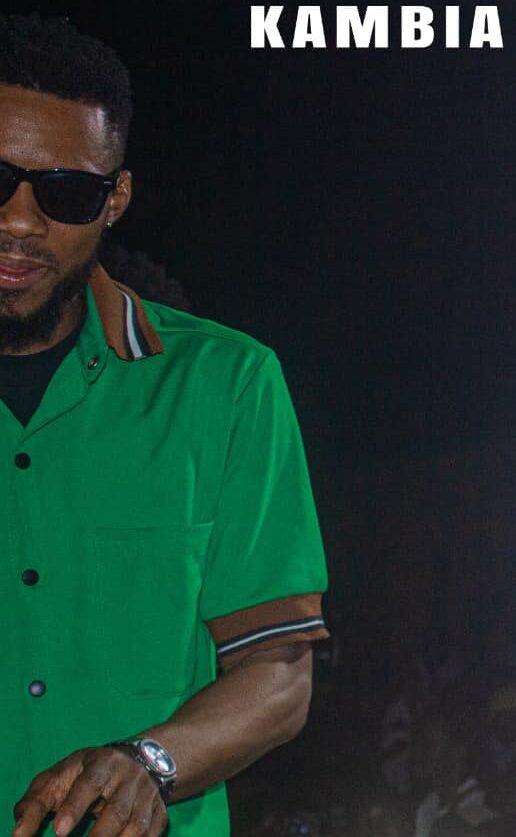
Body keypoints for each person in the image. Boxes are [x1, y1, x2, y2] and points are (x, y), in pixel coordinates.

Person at [1, 15, 329, 837]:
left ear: (114, 199)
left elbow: (280, 671)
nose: (20, 220)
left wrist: (151, 761)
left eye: (65, 193)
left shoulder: (227, 385)